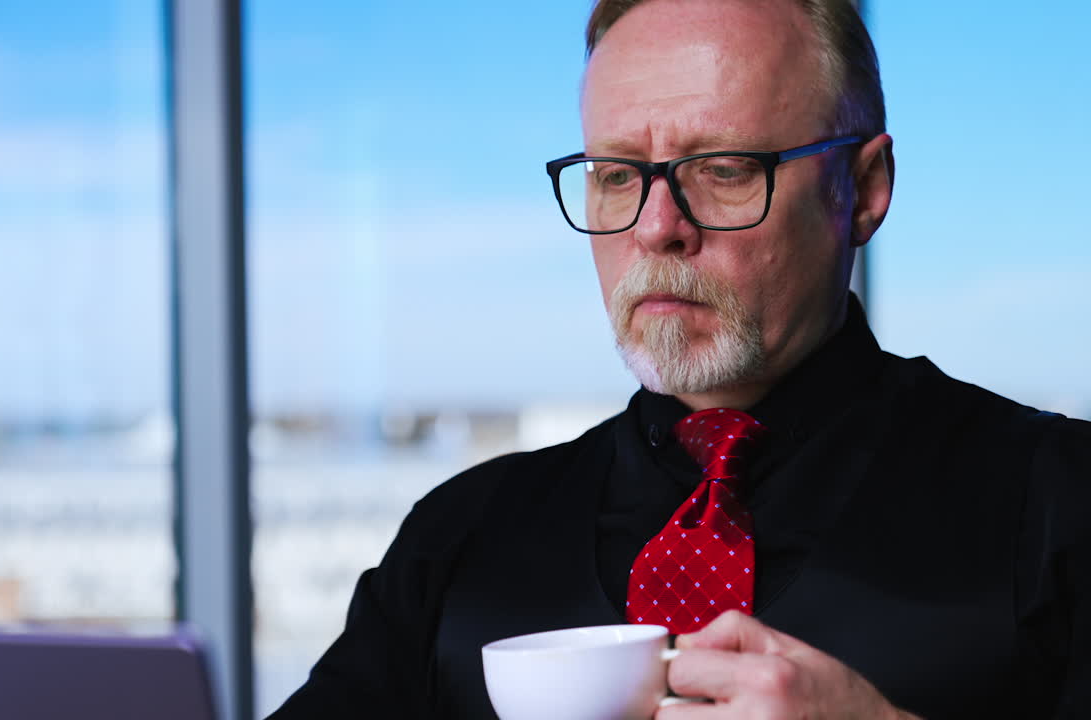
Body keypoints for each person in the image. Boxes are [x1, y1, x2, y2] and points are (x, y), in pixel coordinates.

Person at [270, 0, 1091, 717]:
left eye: (724, 169)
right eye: (617, 175)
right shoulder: (458, 541)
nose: (656, 226)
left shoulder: (1058, 504)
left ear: (865, 188)